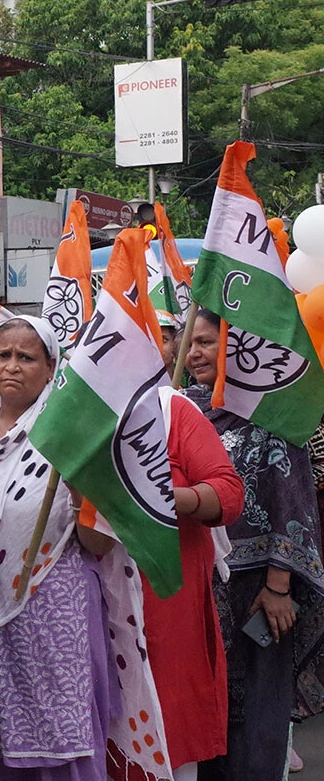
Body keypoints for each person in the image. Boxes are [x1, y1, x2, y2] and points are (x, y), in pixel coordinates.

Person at [0, 316, 115, 780]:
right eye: (2, 355)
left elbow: (99, 543)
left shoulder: (72, 436)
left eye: (26, 357)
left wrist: (82, 486)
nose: (11, 366)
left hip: (50, 607)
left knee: (56, 730)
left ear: (50, 369)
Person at [182, 310, 324, 781]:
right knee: (202, 702)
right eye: (191, 343)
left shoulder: (272, 412)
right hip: (197, 585)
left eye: (208, 342)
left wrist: (279, 585)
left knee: (257, 704)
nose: (195, 353)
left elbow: (292, 497)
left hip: (258, 592)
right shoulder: (182, 409)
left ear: (240, 350)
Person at [138, 386, 243, 779]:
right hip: (92, 601)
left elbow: (228, 493)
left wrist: (166, 497)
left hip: (166, 602)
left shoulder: (173, 411)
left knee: (171, 729)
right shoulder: (75, 410)